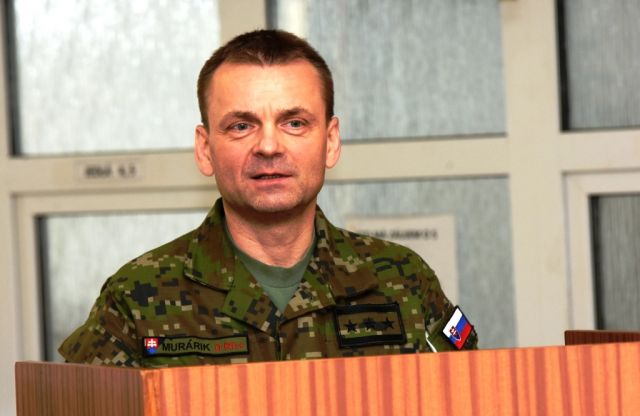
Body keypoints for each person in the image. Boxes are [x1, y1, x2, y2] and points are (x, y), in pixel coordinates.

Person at [59, 29, 477, 367]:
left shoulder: (403, 280)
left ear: (331, 141)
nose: (269, 146)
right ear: (205, 149)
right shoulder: (136, 298)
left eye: (294, 122)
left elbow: (471, 400)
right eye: (241, 126)